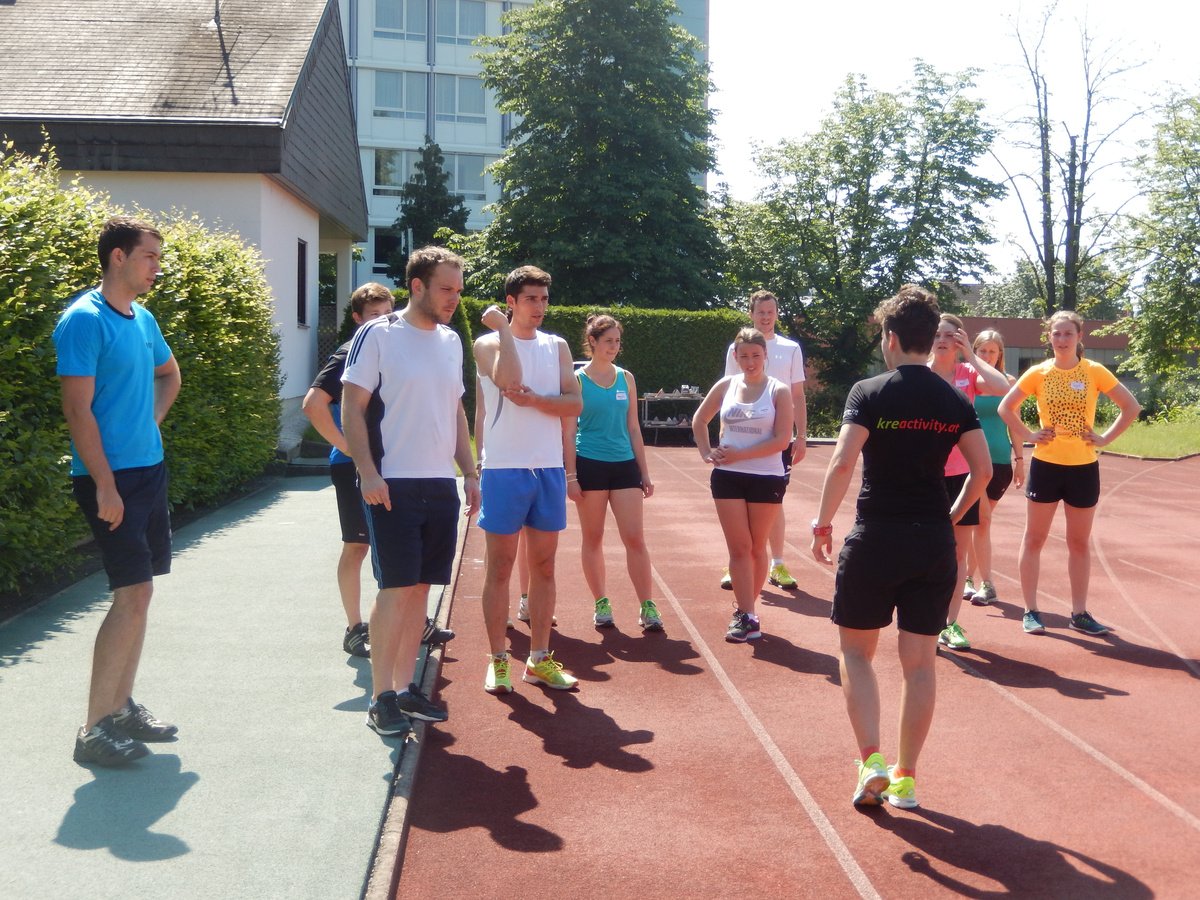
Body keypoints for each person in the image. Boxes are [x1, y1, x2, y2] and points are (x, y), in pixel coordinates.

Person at [811, 285, 990, 809]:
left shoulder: (868, 391)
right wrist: (951, 516)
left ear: (890, 338)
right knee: (920, 663)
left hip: (875, 538)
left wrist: (823, 524)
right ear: (929, 339)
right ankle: (906, 777)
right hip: (931, 542)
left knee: (855, 653)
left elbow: (843, 462)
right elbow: (982, 471)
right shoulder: (954, 399)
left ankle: (871, 759)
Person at [54, 215, 183, 766]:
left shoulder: (143, 318)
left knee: (141, 594)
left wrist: (149, 423)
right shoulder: (83, 321)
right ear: (118, 257)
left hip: (149, 472)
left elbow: (170, 374)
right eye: (150, 256)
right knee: (130, 595)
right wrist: (106, 484)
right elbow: (76, 410)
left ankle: (121, 707)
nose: (157, 267)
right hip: (110, 480)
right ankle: (93, 730)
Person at [341, 246, 480, 738]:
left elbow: (455, 410)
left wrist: (469, 471)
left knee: (421, 588)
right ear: (417, 286)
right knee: (396, 589)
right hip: (392, 482)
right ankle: (380, 698)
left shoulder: (451, 341)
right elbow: (351, 406)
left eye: (458, 290)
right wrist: (367, 471)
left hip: (440, 482)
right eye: (446, 289)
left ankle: (404, 690)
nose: (454, 298)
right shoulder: (377, 334)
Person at [303, 283, 453, 658]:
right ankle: (356, 627)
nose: (383, 320)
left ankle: (414, 622)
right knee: (358, 546)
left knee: (399, 554)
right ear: (358, 319)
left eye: (388, 312)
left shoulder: (410, 344)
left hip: (395, 468)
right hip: (357, 467)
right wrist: (349, 448)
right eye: (374, 315)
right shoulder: (349, 352)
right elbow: (313, 404)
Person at [998, 310, 1141, 636]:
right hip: (1046, 466)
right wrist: (1029, 435)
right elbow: (1006, 407)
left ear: (1079, 337)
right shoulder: (1038, 372)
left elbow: (1130, 406)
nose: (1062, 339)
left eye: (1068, 334)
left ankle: (1079, 613)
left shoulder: (1094, 371)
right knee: (1034, 538)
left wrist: (1105, 438)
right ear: (1049, 337)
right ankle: (1031, 610)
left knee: (1078, 542)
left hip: (1083, 467)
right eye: (1057, 334)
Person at [474, 266, 582, 694]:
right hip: (504, 468)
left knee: (544, 567)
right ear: (511, 302)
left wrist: (537, 401)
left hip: (548, 467)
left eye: (544, 299)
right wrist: (503, 329)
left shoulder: (557, 346)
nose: (540, 307)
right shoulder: (487, 342)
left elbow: (574, 404)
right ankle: (499, 660)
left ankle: (538, 659)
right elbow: (509, 380)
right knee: (500, 567)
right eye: (531, 299)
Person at [693, 328, 794, 643]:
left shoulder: (779, 391)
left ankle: (749, 609)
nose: (750, 362)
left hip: (766, 477)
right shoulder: (726, 385)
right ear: (735, 357)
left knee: (756, 547)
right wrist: (707, 452)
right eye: (744, 356)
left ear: (765, 356)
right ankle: (746, 613)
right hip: (727, 477)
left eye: (756, 356)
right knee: (739, 548)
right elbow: (699, 420)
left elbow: (781, 440)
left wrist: (741, 454)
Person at [563, 314, 662, 631]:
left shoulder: (626, 378)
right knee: (593, 538)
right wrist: (571, 476)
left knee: (635, 538)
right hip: (589, 464)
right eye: (608, 341)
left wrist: (644, 472)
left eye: (618, 341)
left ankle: (647, 606)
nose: (614, 347)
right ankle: (601, 602)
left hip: (624, 466)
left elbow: (634, 428)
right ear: (592, 342)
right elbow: (569, 431)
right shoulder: (577, 380)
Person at [926, 314, 1009, 650]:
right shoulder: (921, 373)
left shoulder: (968, 373)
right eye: (937, 334)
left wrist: (972, 356)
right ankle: (923, 621)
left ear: (960, 339)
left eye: (950, 335)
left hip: (963, 475)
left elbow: (1003, 387)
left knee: (958, 553)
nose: (943, 340)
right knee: (924, 551)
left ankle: (949, 623)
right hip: (926, 474)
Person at [720, 290, 808, 591]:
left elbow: (798, 395)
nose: (766, 317)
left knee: (773, 500)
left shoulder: (791, 348)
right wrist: (722, 435)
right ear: (751, 314)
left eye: (771, 312)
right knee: (734, 502)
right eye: (761, 312)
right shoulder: (736, 349)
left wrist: (801, 436)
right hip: (739, 437)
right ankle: (736, 561)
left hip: (776, 441)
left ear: (777, 314)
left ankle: (777, 563)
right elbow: (727, 391)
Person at [473, 380, 546, 631]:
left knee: (531, 542)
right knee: (499, 546)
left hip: (536, 462)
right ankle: (499, 609)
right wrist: (480, 457)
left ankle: (527, 601)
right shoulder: (488, 361)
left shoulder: (543, 359)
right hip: (500, 465)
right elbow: (481, 412)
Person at [964, 329, 1024, 606]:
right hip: (970, 461)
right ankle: (986, 583)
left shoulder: (1008, 383)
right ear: (974, 351)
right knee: (981, 519)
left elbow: (1015, 425)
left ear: (1000, 354)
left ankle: (968, 578)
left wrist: (1020, 461)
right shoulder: (965, 379)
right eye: (982, 350)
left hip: (1000, 461)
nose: (987, 355)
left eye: (992, 351)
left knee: (980, 522)